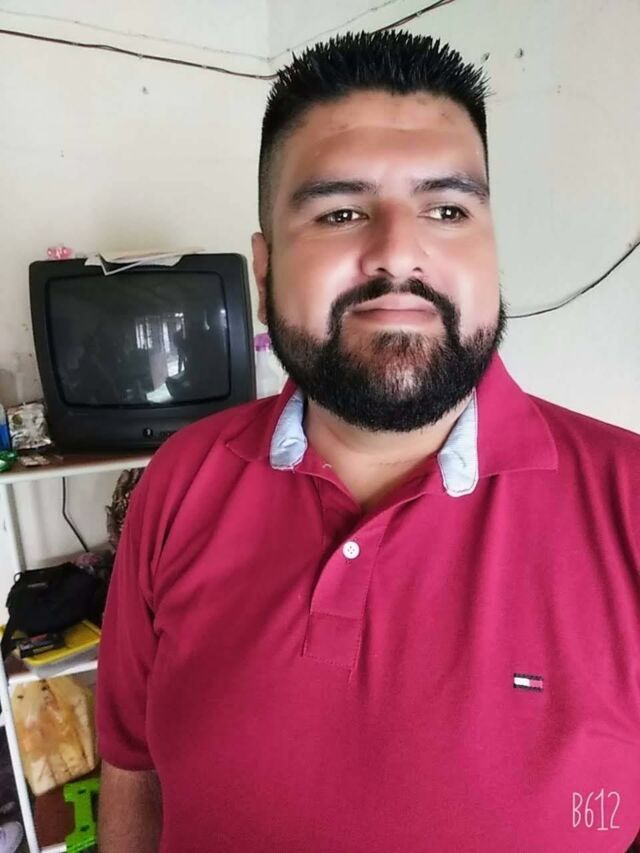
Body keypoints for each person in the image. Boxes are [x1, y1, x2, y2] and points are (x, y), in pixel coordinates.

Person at [96, 30, 640, 853]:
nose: (397, 254)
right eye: (341, 212)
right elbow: (132, 766)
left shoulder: (627, 504)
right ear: (263, 270)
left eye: (448, 210)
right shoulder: (177, 483)